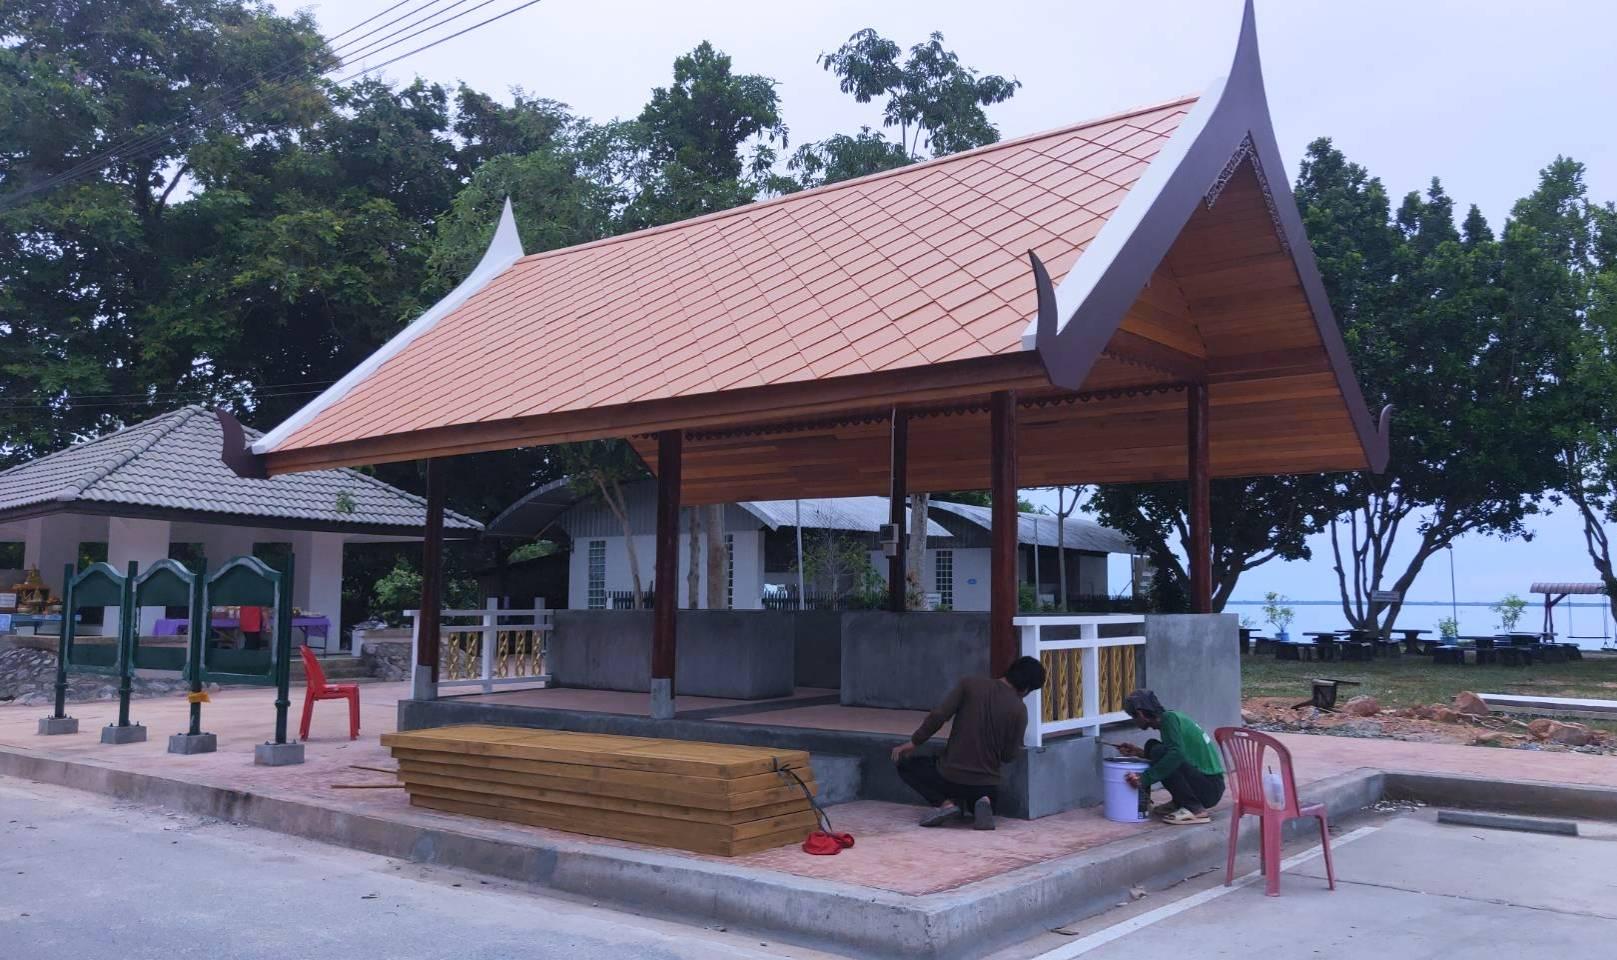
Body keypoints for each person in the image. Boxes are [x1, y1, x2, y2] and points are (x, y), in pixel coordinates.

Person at [890, 656, 1047, 830]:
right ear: (1026, 689)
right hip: (986, 783)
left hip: (948, 776)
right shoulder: (1019, 710)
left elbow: (939, 715)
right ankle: (984, 801)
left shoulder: (970, 684)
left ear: (1010, 671)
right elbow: (1008, 756)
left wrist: (914, 742)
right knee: (983, 793)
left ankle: (946, 804)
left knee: (906, 765)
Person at [1115, 689, 1225, 825]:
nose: (1134, 721)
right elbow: (1178, 754)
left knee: (1160, 752)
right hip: (1207, 784)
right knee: (1152, 746)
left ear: (1141, 714)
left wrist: (1144, 779)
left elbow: (1176, 755)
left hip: (1210, 788)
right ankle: (1180, 802)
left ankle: (1195, 809)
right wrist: (1138, 752)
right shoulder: (1171, 717)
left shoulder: (1169, 720)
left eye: (1133, 717)